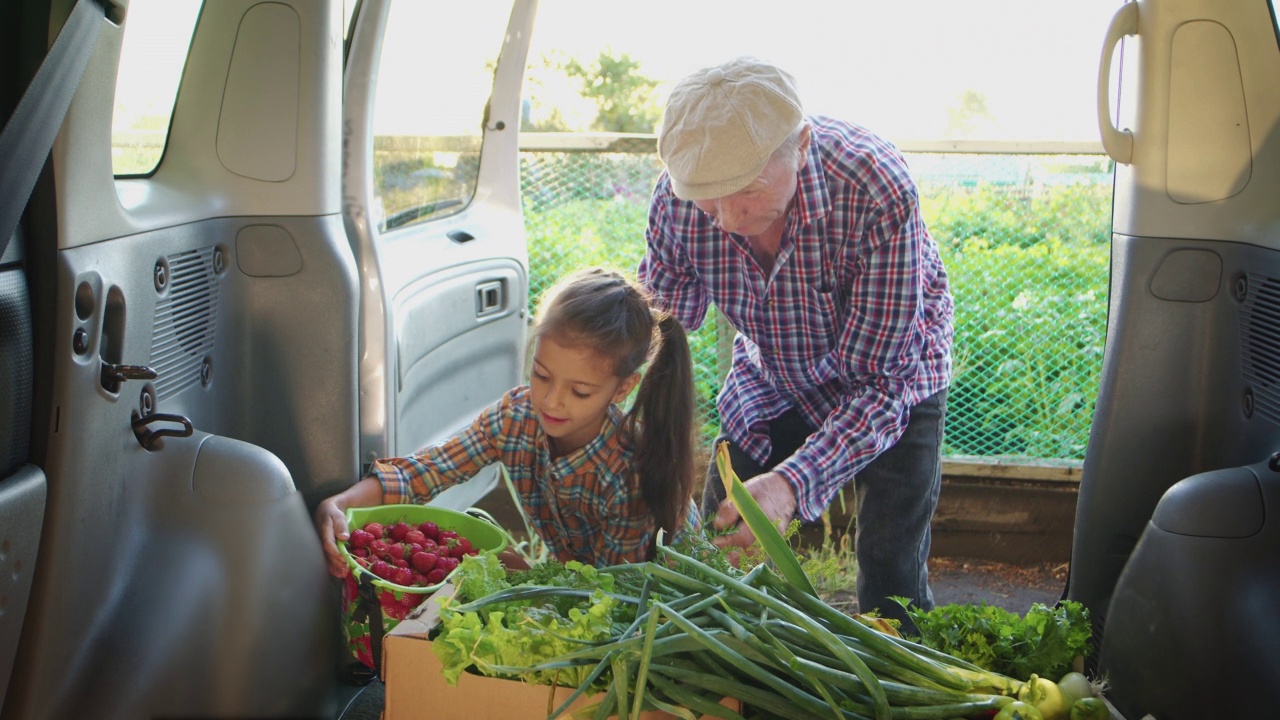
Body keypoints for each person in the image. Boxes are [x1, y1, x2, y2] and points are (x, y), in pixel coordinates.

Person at [638, 57, 954, 632]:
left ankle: (903, 677)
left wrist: (789, 485)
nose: (730, 220)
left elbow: (883, 384)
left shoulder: (874, 187)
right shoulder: (676, 202)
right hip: (773, 369)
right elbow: (663, 341)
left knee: (890, 569)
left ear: (802, 143)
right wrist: (634, 421)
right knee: (715, 556)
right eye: (710, 203)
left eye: (749, 192)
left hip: (895, 378)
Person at [314, 267, 700, 575]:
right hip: (586, 580)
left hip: (662, 605)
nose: (551, 401)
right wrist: (341, 504)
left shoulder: (628, 472)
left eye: (580, 392)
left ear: (622, 389)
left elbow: (614, 594)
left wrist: (526, 575)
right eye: (541, 375)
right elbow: (426, 472)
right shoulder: (516, 418)